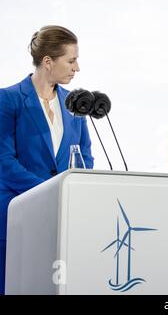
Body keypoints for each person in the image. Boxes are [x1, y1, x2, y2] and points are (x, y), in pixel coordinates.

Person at [0, 25, 94, 294]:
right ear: (48, 62)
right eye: (71, 60)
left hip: (62, 218)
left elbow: (85, 156)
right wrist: (49, 192)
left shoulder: (75, 104)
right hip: (16, 217)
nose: (77, 68)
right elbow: (4, 162)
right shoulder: (8, 99)